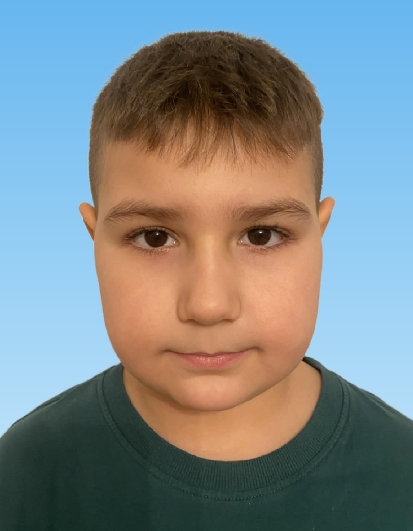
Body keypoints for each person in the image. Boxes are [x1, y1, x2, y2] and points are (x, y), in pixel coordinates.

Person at [0, 30, 412, 530]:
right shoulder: (23, 474)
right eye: (154, 238)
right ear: (94, 237)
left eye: (261, 235)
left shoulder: (401, 472)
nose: (208, 305)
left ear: (319, 234)